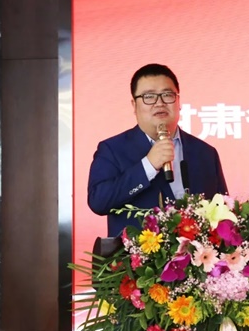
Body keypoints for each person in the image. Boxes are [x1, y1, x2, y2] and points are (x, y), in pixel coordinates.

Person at [88, 63, 229, 237]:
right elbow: (99, 202)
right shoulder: (112, 149)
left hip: (198, 253)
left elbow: (222, 210)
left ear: (178, 101)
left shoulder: (205, 153)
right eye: (149, 96)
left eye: (167, 95)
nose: (160, 103)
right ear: (134, 105)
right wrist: (148, 165)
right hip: (139, 253)